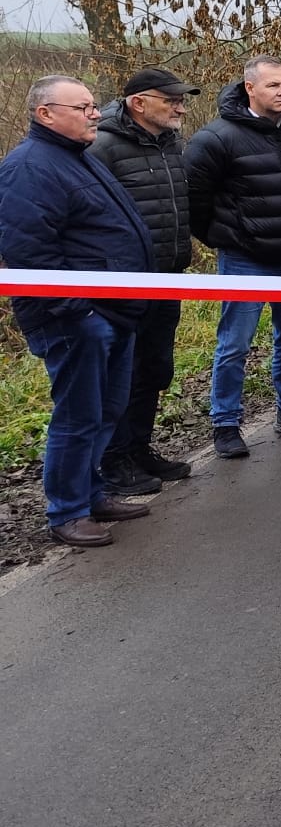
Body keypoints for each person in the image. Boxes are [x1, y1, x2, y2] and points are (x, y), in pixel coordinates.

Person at [0, 76, 154, 547]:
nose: (95, 114)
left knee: (106, 410)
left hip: (113, 311)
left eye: (93, 106)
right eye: (83, 107)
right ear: (45, 113)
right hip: (76, 320)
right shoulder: (29, 168)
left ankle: (91, 493)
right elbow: (29, 253)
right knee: (78, 415)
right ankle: (67, 511)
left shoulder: (77, 156)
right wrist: (80, 313)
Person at [184, 54, 281, 457]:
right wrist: (225, 237)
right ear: (250, 88)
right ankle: (225, 423)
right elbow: (194, 199)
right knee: (235, 344)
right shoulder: (216, 138)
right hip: (245, 259)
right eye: (273, 85)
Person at [87, 66, 200, 495]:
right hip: (122, 283)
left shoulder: (171, 143)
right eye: (171, 100)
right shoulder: (102, 146)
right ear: (138, 103)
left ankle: (138, 450)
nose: (180, 108)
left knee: (154, 367)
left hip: (167, 277)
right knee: (123, 372)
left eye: (181, 100)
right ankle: (113, 462)